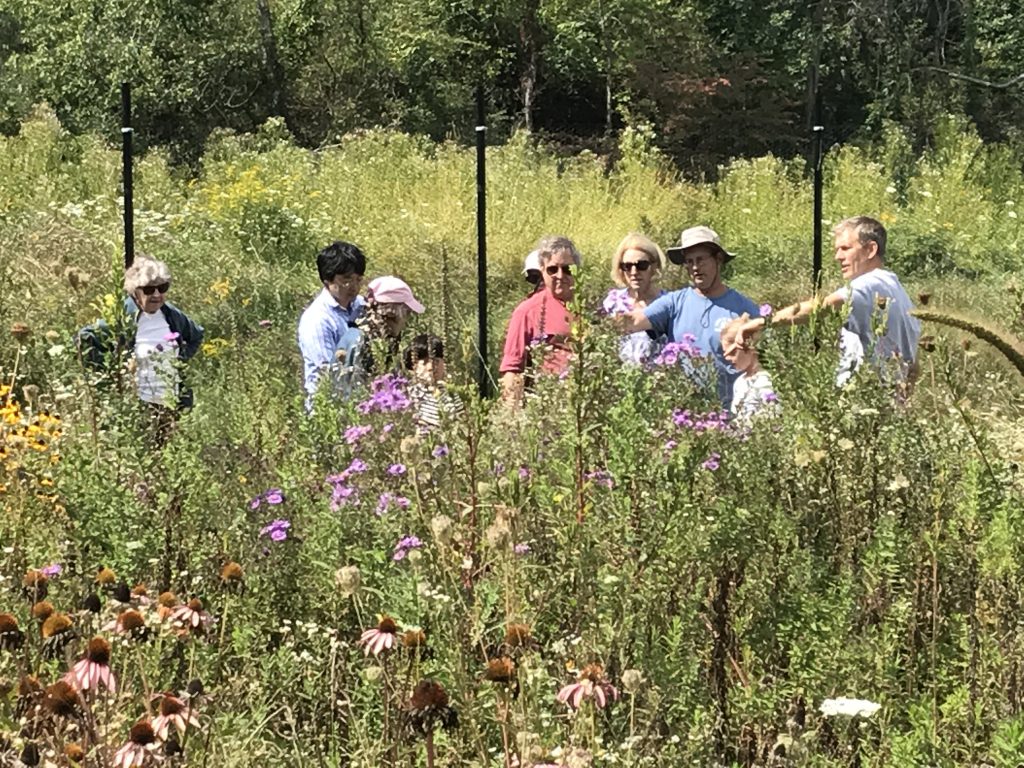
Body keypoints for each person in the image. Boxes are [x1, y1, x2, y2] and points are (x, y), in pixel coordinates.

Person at [737, 216, 920, 387]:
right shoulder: (899, 293)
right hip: (888, 398)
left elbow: (819, 308)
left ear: (871, 250)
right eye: (837, 250)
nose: (838, 257)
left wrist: (759, 323)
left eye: (846, 248)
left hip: (865, 397)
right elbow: (914, 366)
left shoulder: (870, 283)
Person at [618, 226, 759, 405]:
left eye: (701, 260)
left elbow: (762, 358)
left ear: (719, 259)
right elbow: (635, 320)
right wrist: (589, 325)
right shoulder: (675, 302)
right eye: (689, 261)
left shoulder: (743, 309)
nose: (695, 267)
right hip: (683, 415)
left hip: (728, 414)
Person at [77, 254, 204, 411]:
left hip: (171, 404)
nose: (157, 294)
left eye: (162, 288)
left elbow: (196, 335)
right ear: (134, 290)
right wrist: (108, 375)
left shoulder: (171, 314)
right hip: (136, 408)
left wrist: (180, 359)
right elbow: (85, 338)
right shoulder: (124, 316)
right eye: (149, 289)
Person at [499, 235, 580, 403]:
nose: (560, 275)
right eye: (552, 269)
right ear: (542, 270)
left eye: (567, 269)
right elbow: (513, 370)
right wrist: (511, 421)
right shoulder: (527, 311)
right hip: (548, 406)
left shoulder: (589, 307)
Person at [297, 241, 367, 403]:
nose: (354, 287)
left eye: (358, 279)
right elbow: (328, 374)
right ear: (327, 280)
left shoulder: (361, 306)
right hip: (328, 405)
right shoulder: (317, 319)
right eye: (346, 279)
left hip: (358, 401)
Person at [602, 233, 668, 364]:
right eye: (627, 266)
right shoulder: (613, 303)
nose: (633, 272)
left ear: (654, 267)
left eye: (641, 265)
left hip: (658, 380)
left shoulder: (667, 303)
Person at [355, 276, 426, 376]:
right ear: (393, 313)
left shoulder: (386, 339)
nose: (407, 319)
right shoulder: (363, 343)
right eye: (407, 312)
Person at [720, 314, 779, 422]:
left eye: (733, 352)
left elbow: (772, 418)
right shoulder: (740, 381)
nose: (727, 358)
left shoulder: (766, 380)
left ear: (750, 347)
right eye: (725, 353)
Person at [403, 334, 464, 429]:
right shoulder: (411, 394)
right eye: (424, 363)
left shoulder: (451, 393)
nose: (431, 367)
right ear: (413, 367)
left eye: (436, 361)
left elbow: (462, 419)